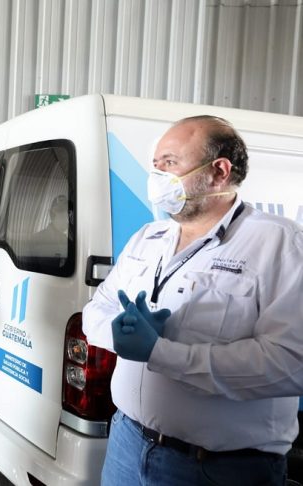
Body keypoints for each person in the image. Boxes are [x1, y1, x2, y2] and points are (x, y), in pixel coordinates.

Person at [83, 115, 303, 485]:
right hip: (126, 444)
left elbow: (291, 363)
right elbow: (96, 310)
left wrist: (161, 352)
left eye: (170, 163)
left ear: (219, 171)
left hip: (215, 468)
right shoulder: (148, 238)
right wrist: (119, 332)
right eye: (155, 165)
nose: (157, 177)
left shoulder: (279, 243)